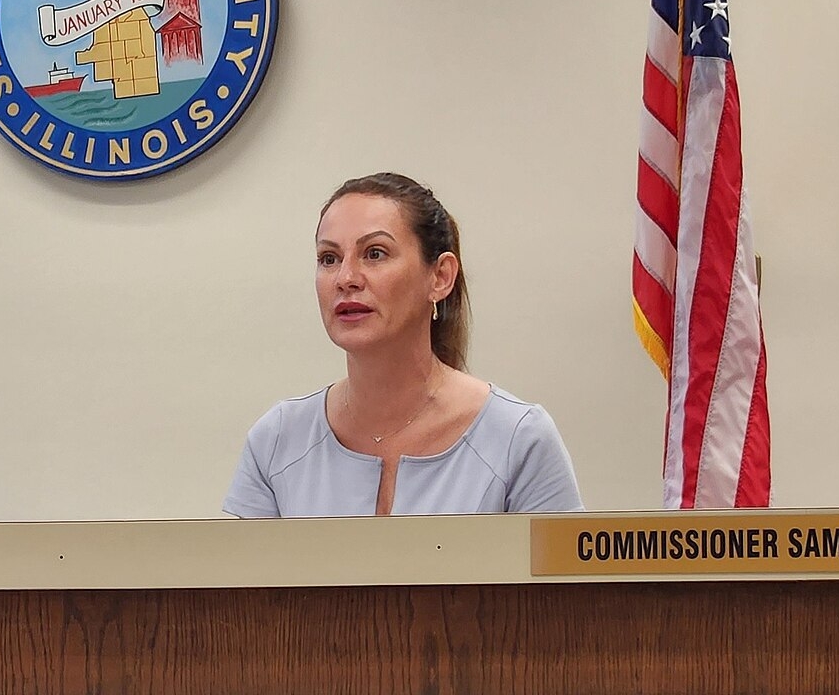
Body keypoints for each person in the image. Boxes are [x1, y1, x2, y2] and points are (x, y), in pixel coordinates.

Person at [224, 172, 583, 517]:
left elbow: (560, 562)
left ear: (440, 277)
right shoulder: (277, 440)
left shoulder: (519, 438)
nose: (346, 279)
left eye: (375, 253)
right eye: (329, 259)